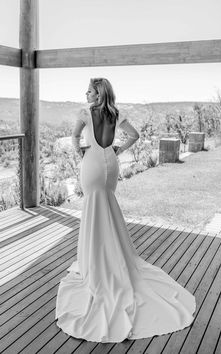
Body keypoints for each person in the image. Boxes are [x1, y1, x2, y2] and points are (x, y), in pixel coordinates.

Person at [55, 77, 196, 343]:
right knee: (107, 207)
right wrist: (117, 148)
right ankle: (113, 256)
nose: (86, 94)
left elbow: (75, 137)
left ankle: (95, 261)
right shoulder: (115, 113)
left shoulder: (85, 113)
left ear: (98, 95)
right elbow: (135, 135)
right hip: (110, 162)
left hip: (92, 163)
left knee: (92, 210)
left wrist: (80, 153)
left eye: (89, 91)